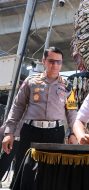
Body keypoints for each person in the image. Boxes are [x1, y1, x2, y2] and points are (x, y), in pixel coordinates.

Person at [1, 46, 77, 185]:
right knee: (24, 170)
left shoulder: (68, 86)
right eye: (51, 61)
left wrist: (73, 133)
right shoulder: (31, 81)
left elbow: (72, 112)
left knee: (51, 172)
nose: (55, 65)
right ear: (44, 61)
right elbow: (17, 107)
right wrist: (9, 132)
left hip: (55, 133)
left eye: (58, 62)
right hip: (31, 131)